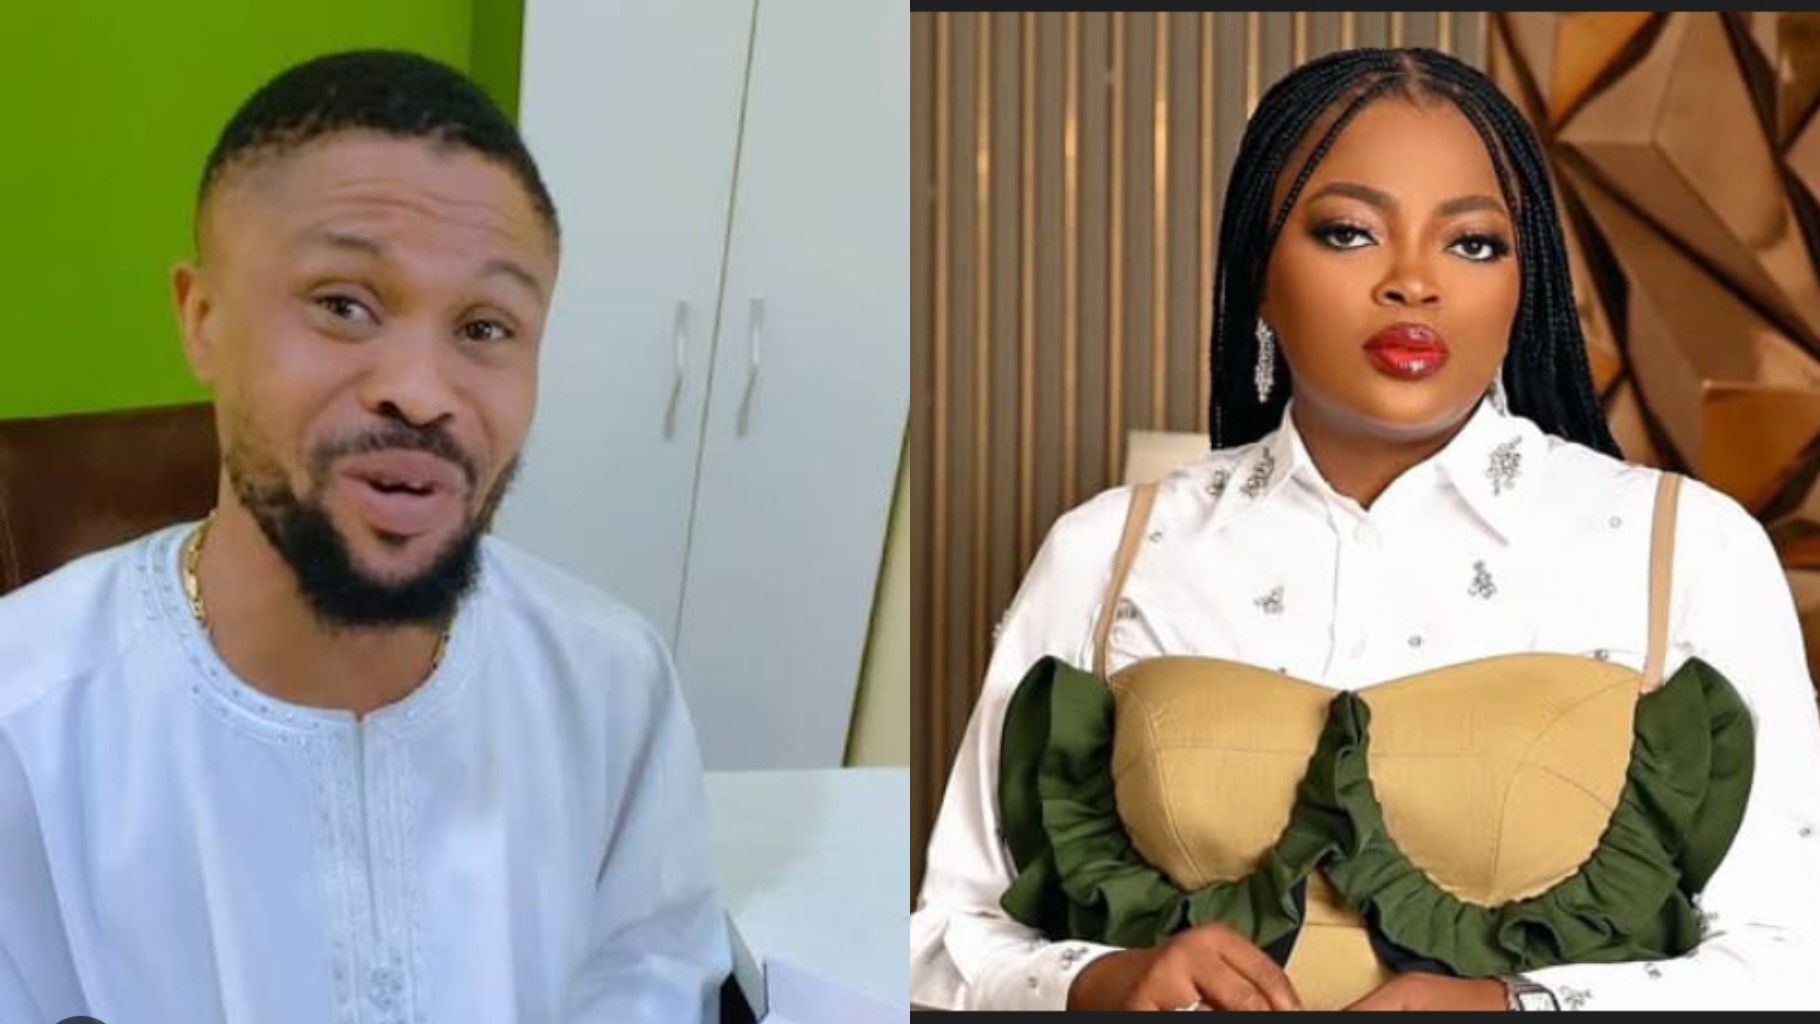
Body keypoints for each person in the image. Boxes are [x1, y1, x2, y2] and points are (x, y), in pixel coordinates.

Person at [911, 47, 1820, 1012]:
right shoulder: (1112, 549)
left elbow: (1795, 954)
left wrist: (1515, 1006)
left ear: (1527, 284)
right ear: (1259, 273)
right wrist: (1101, 978)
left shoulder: (1683, 548)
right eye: (1349, 233)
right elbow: (943, 938)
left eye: (1473, 243)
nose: (1414, 283)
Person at [0, 50, 729, 1023]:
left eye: (485, 328)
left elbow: (651, 975)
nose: (421, 393)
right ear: (202, 319)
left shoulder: (610, 685)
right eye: (344, 305)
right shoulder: (27, 720)